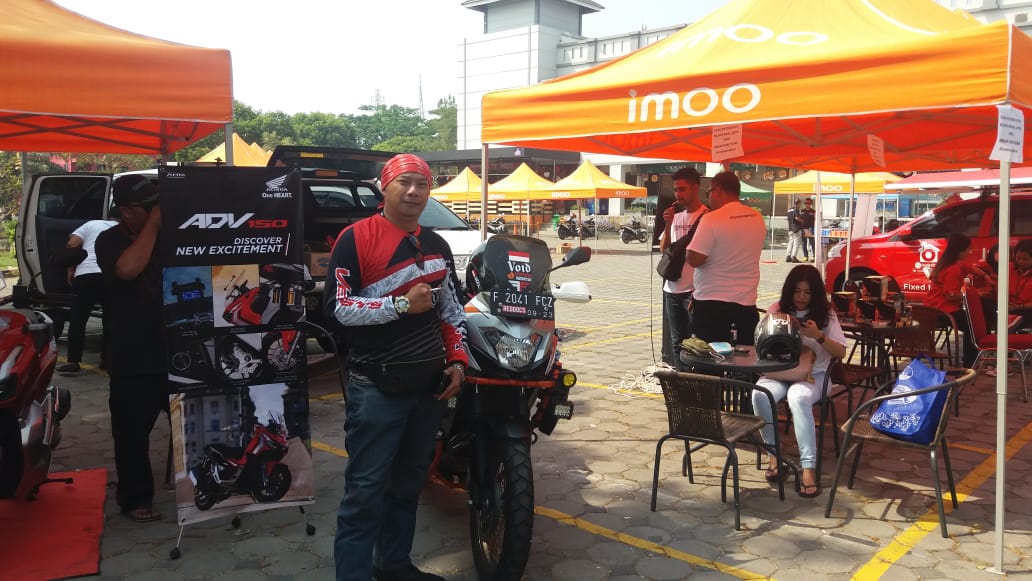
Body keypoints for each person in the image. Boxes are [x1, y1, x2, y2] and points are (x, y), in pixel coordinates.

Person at [325, 153, 469, 581]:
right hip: (376, 388)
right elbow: (338, 309)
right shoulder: (355, 238)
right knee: (364, 492)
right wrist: (400, 305)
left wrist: (458, 361)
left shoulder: (438, 245)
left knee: (407, 486)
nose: (413, 191)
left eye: (421, 184)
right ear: (384, 187)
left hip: (429, 389)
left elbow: (451, 311)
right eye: (403, 182)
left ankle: (393, 566)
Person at [94, 174, 167, 523]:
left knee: (195, 422)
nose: (156, 212)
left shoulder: (171, 234)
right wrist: (153, 226)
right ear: (126, 211)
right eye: (148, 208)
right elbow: (128, 269)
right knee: (131, 433)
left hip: (175, 347)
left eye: (156, 206)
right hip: (131, 352)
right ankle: (136, 497)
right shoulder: (109, 240)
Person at [752, 265, 846, 498]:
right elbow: (760, 346)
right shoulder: (777, 310)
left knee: (798, 397)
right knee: (759, 394)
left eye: (807, 292)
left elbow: (841, 353)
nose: (801, 297)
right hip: (779, 373)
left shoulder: (826, 315)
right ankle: (774, 457)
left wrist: (819, 336)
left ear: (816, 293)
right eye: (797, 291)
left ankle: (808, 468)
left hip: (816, 375)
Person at [686, 171, 767, 345]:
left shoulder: (711, 219)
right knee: (744, 355)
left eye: (708, 192)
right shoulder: (757, 218)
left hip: (711, 304)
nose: (708, 197)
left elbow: (694, 259)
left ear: (718, 190)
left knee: (710, 357)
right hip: (746, 303)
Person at [659, 167, 707, 366]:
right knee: (677, 342)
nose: (678, 194)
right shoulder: (676, 217)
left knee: (698, 343)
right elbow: (665, 250)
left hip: (695, 290)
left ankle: (697, 379)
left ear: (695, 188)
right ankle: (682, 380)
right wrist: (668, 224)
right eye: (675, 190)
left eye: (682, 189)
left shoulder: (707, 217)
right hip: (672, 288)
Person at [57, 217, 118, 373]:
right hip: (109, 275)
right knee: (110, 320)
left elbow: (72, 245)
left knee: (78, 320)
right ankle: (107, 360)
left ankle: (73, 361)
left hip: (86, 275)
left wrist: (70, 269)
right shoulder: (123, 228)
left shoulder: (91, 224)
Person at [923, 233, 979, 368]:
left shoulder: (945, 263)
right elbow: (951, 295)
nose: (969, 252)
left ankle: (972, 360)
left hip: (932, 307)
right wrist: (973, 294)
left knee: (972, 323)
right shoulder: (953, 269)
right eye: (968, 249)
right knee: (974, 326)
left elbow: (968, 267)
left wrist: (984, 275)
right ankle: (970, 363)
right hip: (944, 310)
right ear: (961, 251)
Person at [1009, 239, 1032, 326]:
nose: (1021, 262)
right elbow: (999, 288)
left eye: (1025, 259)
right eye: (1018, 258)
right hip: (1007, 306)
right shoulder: (1009, 268)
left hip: (1026, 309)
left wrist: (1019, 307)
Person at [785, 198, 804, 263]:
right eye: (800, 203)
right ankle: (794, 257)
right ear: (799, 203)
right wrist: (802, 221)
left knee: (790, 242)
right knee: (796, 243)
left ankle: (788, 256)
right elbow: (796, 217)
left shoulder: (789, 210)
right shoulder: (796, 209)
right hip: (796, 228)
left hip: (790, 228)